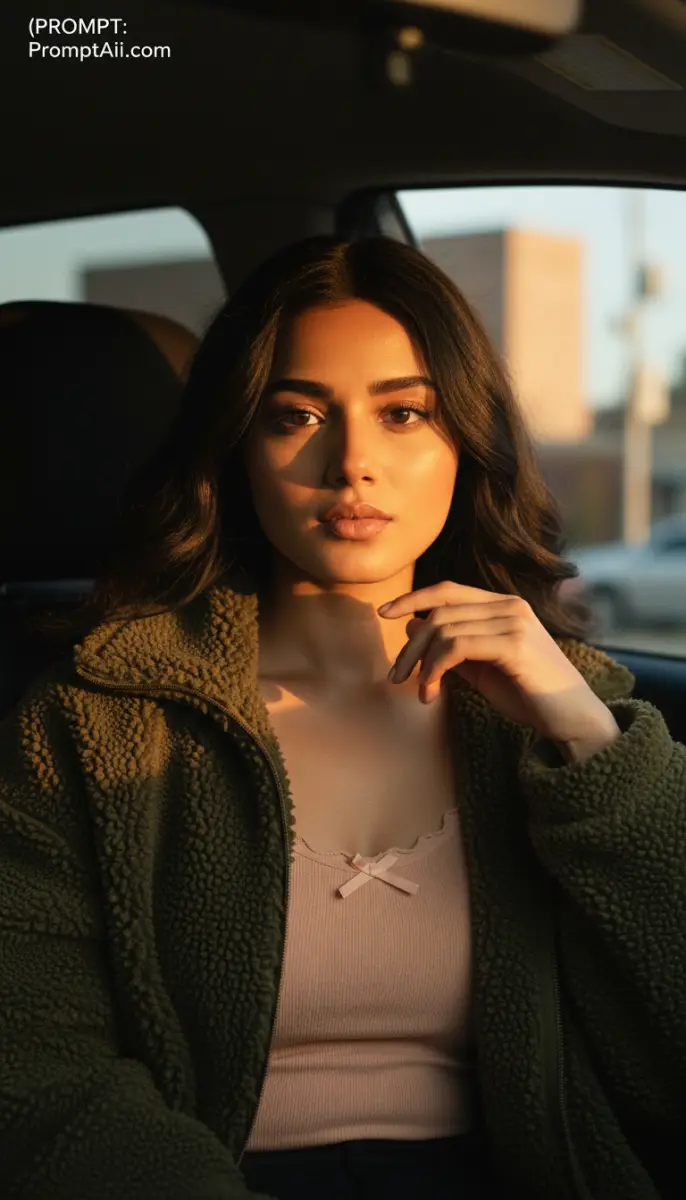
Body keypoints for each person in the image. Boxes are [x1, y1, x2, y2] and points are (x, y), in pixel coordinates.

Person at [0, 236, 684, 1200]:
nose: (353, 463)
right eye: (298, 415)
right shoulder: (97, 719)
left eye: (404, 413)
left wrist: (588, 738)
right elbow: (35, 1066)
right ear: (237, 447)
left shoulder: (562, 712)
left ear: (465, 442)